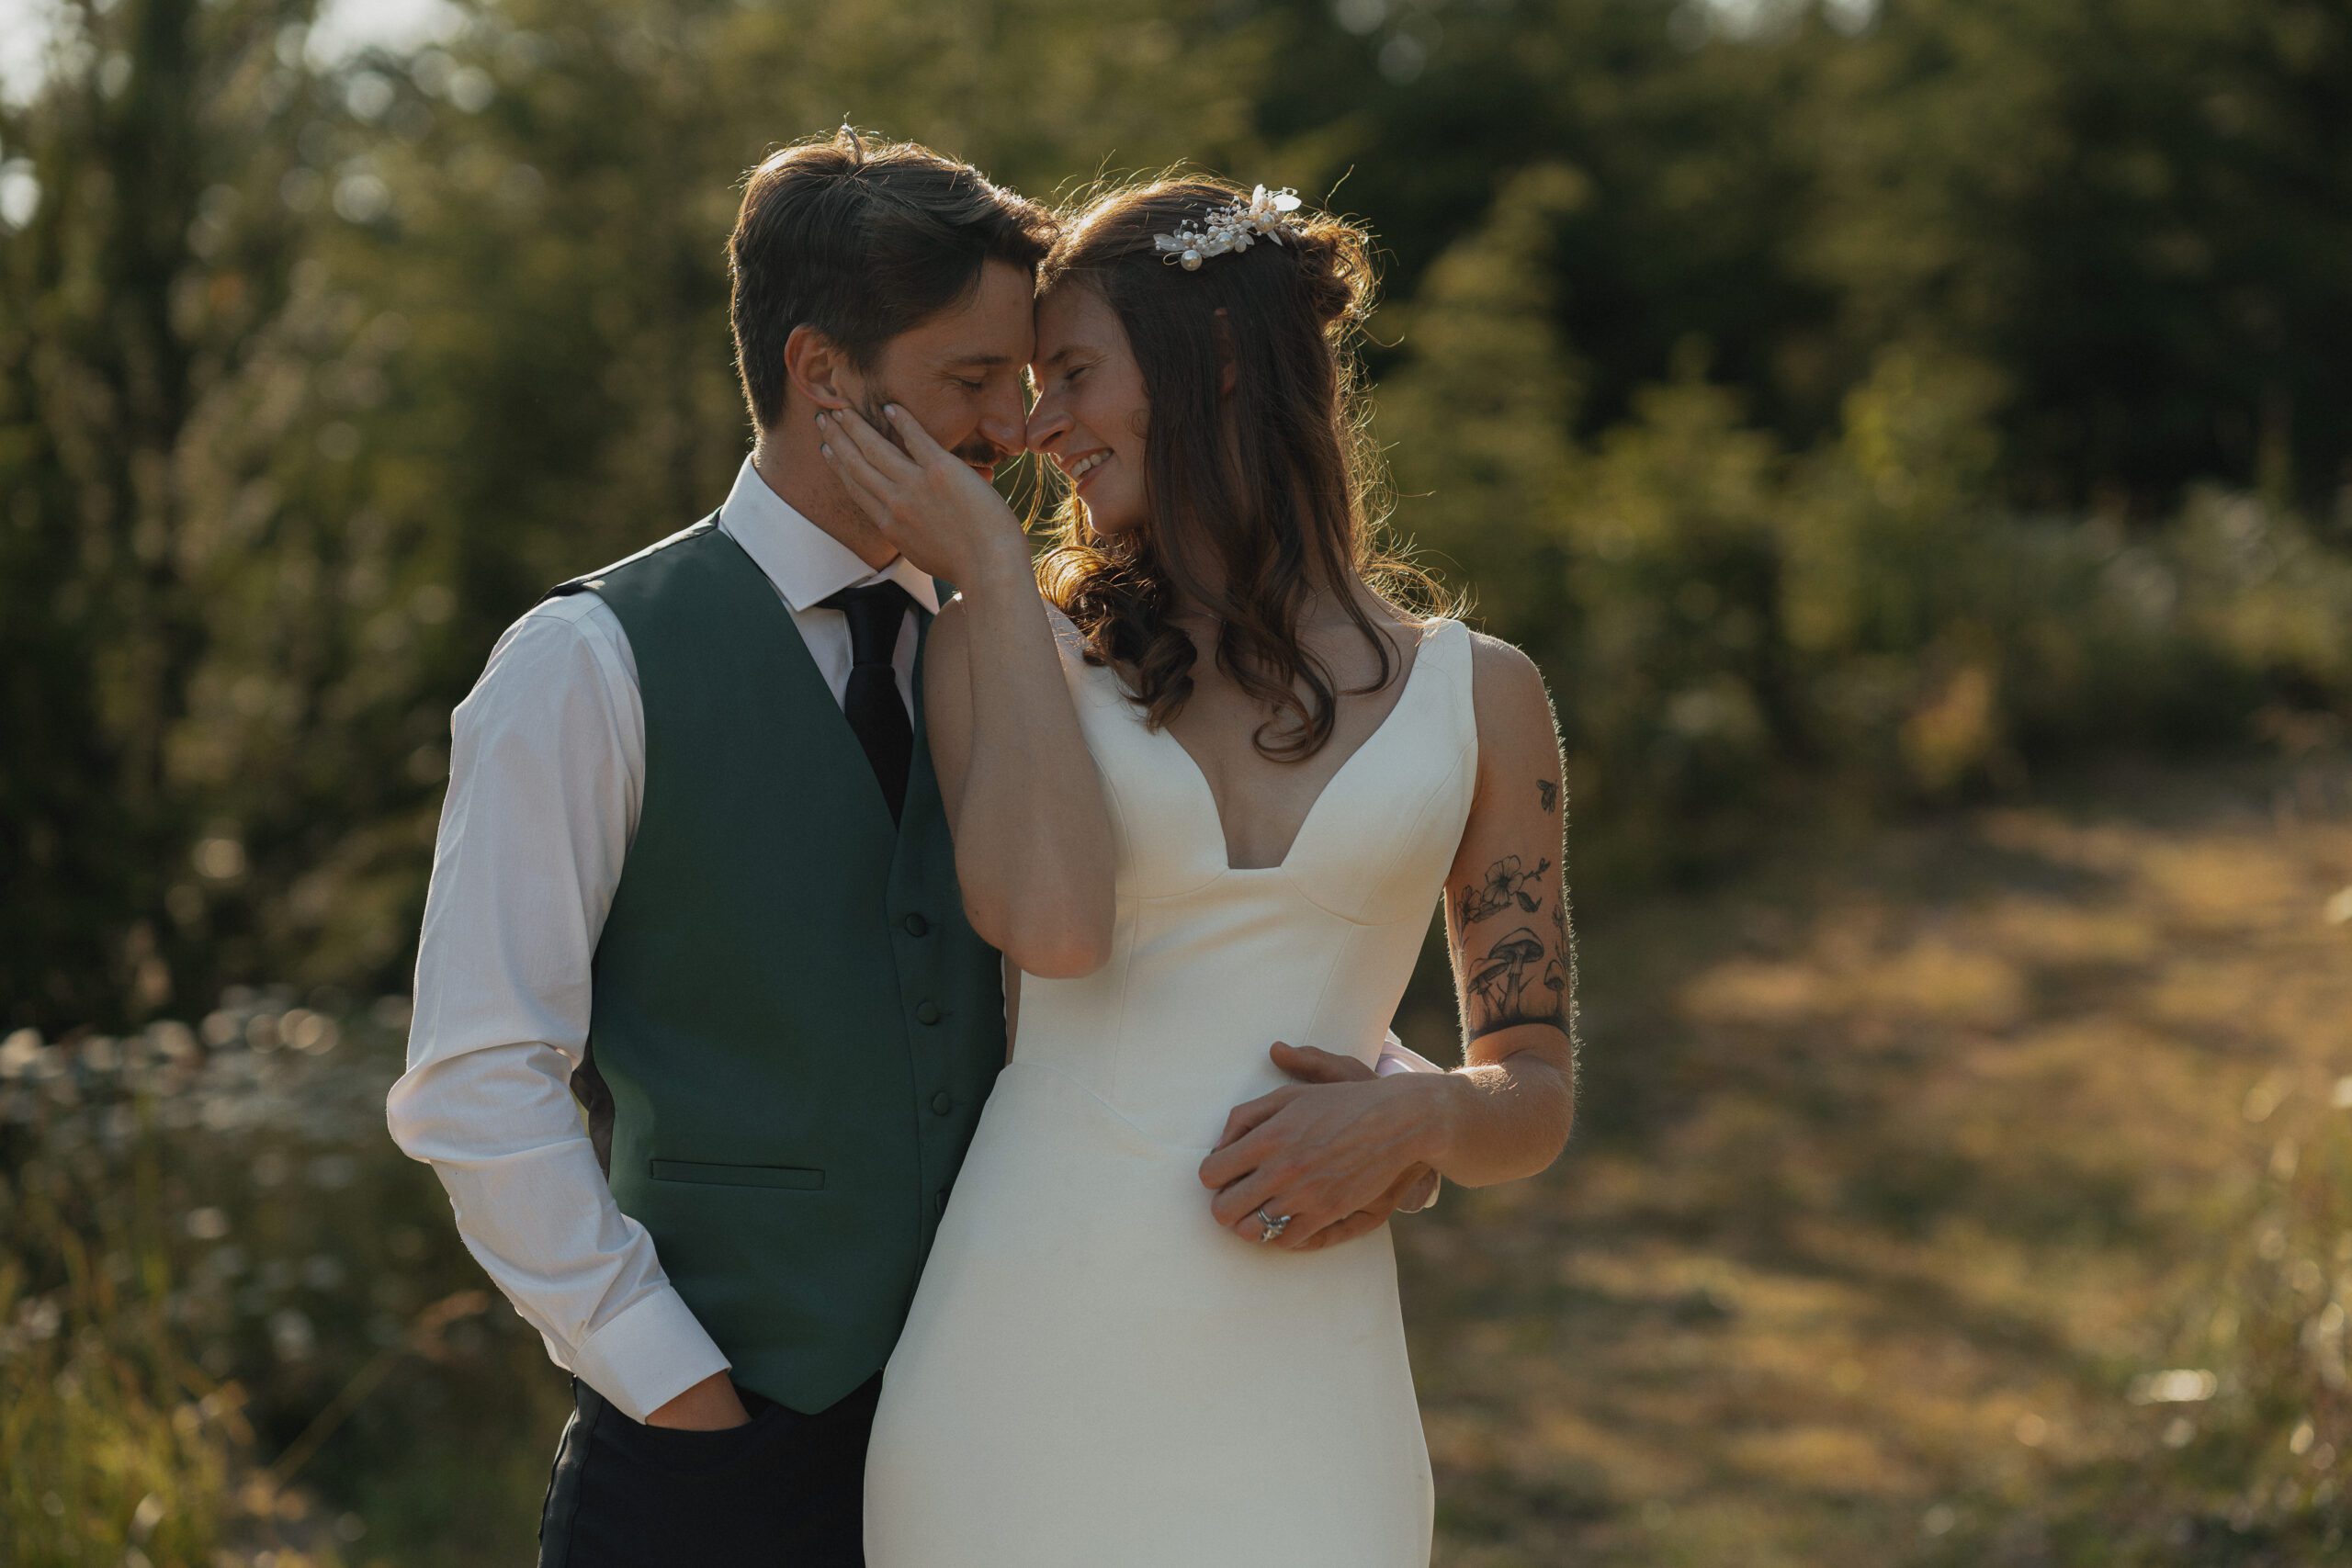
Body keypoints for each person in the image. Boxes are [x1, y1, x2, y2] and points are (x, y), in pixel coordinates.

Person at [383, 129, 1445, 1568]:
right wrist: (679, 1393)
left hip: (1010, 1419)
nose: (1016, 431)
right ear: (824, 375)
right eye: (969, 382)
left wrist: (1395, 1103)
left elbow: (1181, 937)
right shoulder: (588, 663)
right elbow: (477, 1083)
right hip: (718, 1451)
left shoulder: (1016, 648)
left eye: (1029, 382)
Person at [839, 176, 1580, 1565]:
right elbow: (1043, 929)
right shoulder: (1000, 646)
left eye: (1070, 373)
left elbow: (1533, 1090)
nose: (1035, 426)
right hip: (1022, 1355)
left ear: (1221, 364)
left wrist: (1415, 1126)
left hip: (1311, 1369)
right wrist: (998, 583)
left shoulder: (1485, 697)